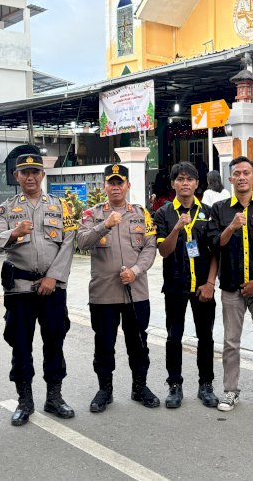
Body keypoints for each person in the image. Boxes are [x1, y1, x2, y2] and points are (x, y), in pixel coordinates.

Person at [0, 154, 77, 426]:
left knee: (54, 342)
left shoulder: (61, 207)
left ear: (42, 174)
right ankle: (24, 401)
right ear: (16, 176)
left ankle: (54, 397)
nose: (30, 177)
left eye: (35, 171)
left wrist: (54, 277)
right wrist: (12, 234)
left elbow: (69, 242)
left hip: (52, 287)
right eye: (24, 172)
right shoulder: (5, 210)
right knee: (21, 345)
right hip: (19, 288)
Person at [77, 164, 160, 412]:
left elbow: (150, 246)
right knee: (104, 344)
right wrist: (105, 225)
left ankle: (139, 387)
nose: (115, 187)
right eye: (111, 183)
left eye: (120, 182)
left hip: (136, 292)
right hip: (103, 294)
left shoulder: (140, 213)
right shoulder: (91, 215)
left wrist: (135, 271)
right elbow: (81, 242)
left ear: (127, 186)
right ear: (104, 186)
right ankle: (105, 390)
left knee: (138, 343)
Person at [208, 156, 253, 413]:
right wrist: (232, 226)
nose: (241, 177)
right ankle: (230, 391)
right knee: (231, 341)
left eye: (246, 173)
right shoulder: (221, 209)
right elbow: (216, 244)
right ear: (230, 179)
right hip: (231, 287)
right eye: (236, 173)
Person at [153, 162, 219, 409]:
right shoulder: (164, 213)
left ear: (197, 184)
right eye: (180, 179)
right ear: (173, 184)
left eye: (190, 179)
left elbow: (215, 252)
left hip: (203, 287)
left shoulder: (209, 212)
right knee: (174, 337)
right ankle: (174, 385)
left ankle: (206, 384)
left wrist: (210, 283)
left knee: (206, 337)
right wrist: (177, 228)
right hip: (175, 286)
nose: (185, 183)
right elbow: (163, 250)